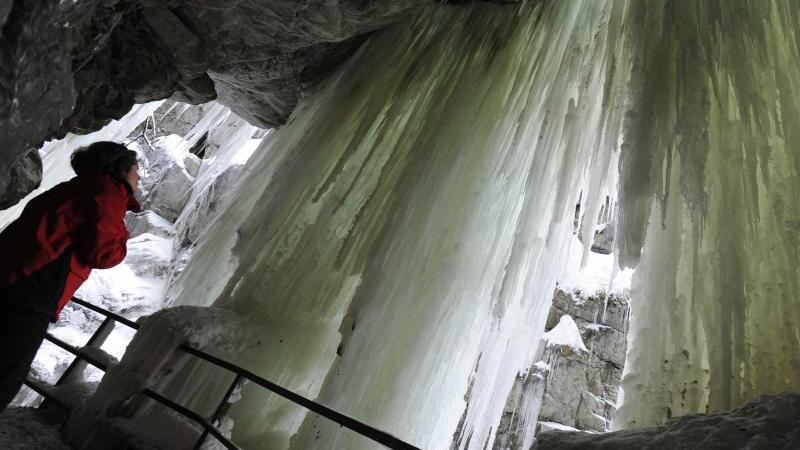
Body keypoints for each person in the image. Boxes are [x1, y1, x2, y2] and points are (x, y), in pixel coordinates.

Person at [0, 141, 140, 410]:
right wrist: (123, 233)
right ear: (120, 170)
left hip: (13, 277)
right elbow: (104, 253)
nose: (139, 176)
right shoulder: (108, 193)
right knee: (6, 373)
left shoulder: (74, 188)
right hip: (34, 290)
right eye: (136, 169)